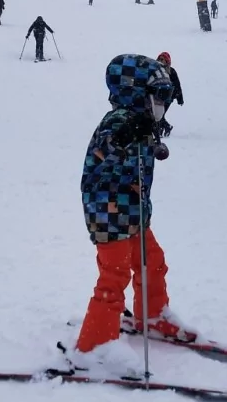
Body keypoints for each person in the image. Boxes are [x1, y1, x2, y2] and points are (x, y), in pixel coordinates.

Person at [70, 54, 194, 377]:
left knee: (152, 260)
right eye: (158, 97)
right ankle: (93, 347)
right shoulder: (118, 121)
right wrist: (127, 133)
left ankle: (151, 315)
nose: (162, 104)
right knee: (115, 277)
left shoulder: (144, 121)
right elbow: (103, 150)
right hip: (109, 213)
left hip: (135, 214)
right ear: (136, 93)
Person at [155, 52, 183, 137]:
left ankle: (162, 129)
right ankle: (165, 127)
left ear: (167, 61)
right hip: (158, 96)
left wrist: (180, 99)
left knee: (160, 114)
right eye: (159, 59)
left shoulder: (171, 72)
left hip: (169, 97)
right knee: (157, 114)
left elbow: (177, 85)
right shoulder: (156, 70)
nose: (160, 61)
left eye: (162, 59)